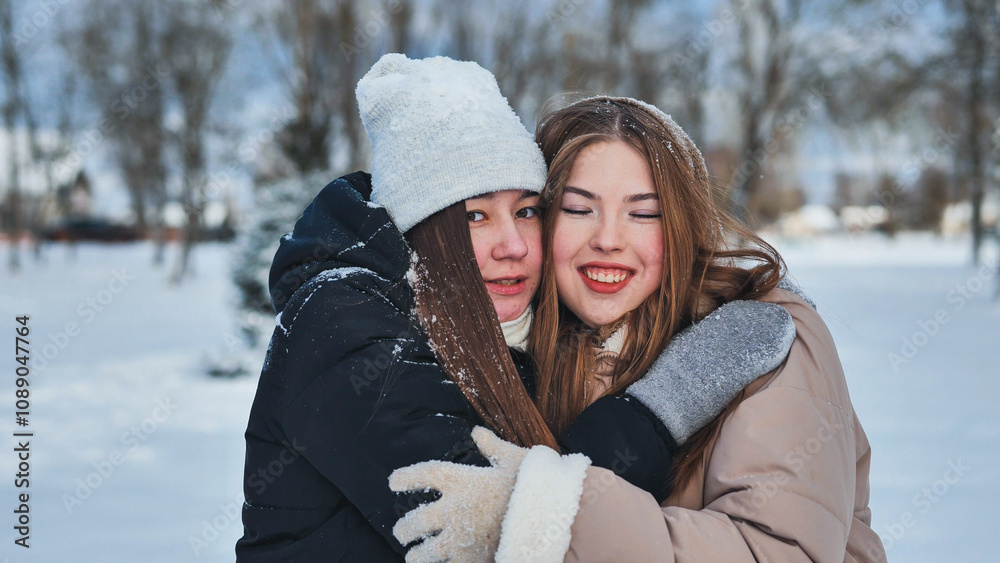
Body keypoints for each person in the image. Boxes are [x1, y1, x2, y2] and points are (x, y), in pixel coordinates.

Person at [237, 54, 793, 562]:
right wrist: (667, 401)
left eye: (527, 210)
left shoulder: (501, 326)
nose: (515, 245)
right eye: (475, 216)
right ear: (419, 229)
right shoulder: (345, 326)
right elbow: (495, 530)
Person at [389, 96, 887, 563]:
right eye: (579, 209)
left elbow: (779, 550)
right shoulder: (521, 340)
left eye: (643, 213)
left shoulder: (769, 337)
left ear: (681, 225)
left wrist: (541, 513)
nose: (608, 239)